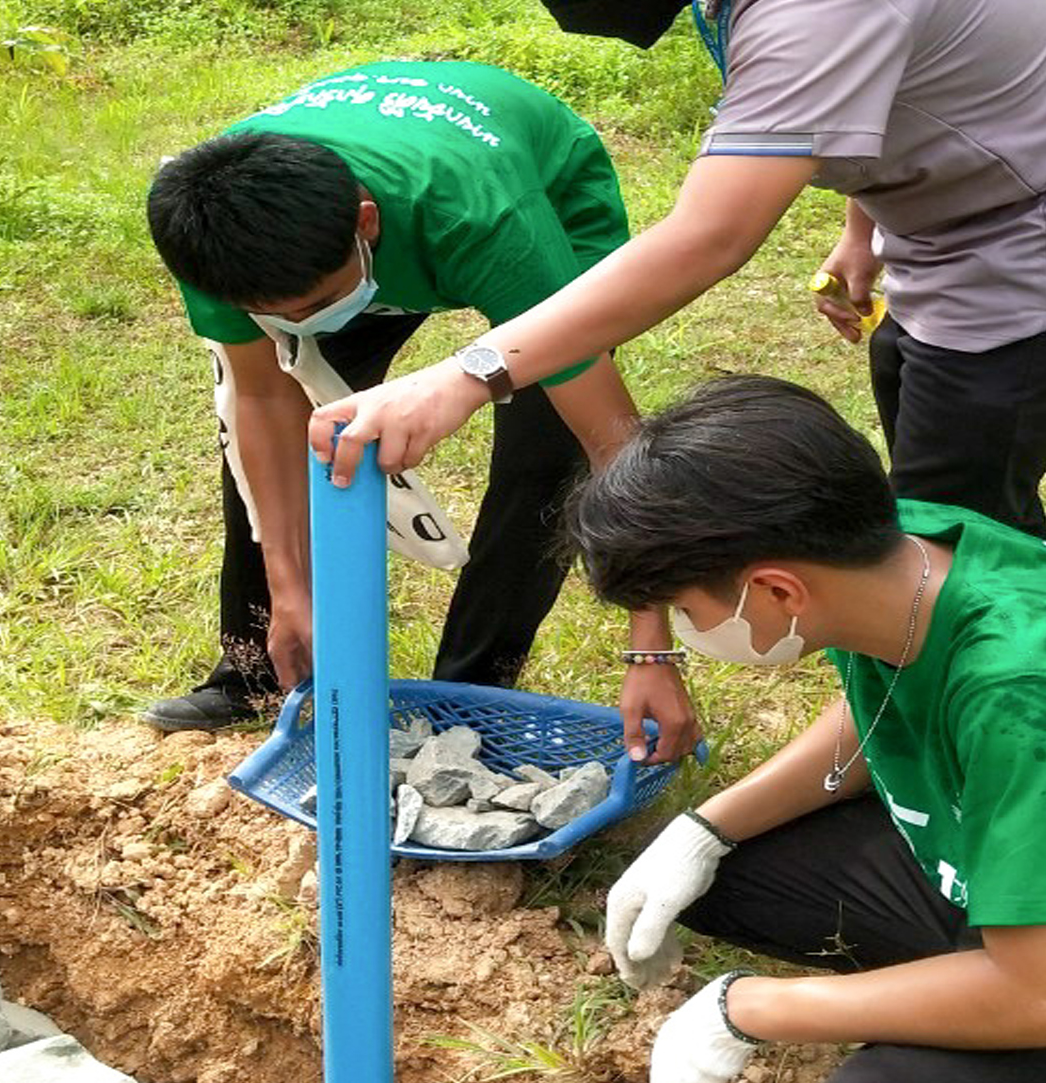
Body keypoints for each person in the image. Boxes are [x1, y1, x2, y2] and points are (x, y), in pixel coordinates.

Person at [308, 0, 1046, 547]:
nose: (562, 3)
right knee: (951, 481)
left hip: (1032, 266)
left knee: (948, 545)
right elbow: (898, 78)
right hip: (946, 234)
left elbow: (708, 238)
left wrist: (468, 374)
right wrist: (865, 227)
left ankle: (992, 692)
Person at [562, 375, 1046, 1083]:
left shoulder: (1025, 694)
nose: (696, 631)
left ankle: (990, 977)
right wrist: (705, 829)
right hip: (1021, 848)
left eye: (690, 610)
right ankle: (976, 962)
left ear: (776, 588)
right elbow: (883, 702)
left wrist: (749, 1007)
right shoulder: (905, 548)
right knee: (725, 874)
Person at [141, 59, 696, 762]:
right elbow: (258, 399)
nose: (298, 324)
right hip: (362, 230)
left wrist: (650, 645)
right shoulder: (213, 231)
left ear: (366, 223)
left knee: (545, 453)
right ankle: (257, 666)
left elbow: (613, 445)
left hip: (535, 189)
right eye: (273, 316)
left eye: (312, 308)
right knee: (282, 438)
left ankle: (468, 694)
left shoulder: (484, 216)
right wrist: (289, 585)